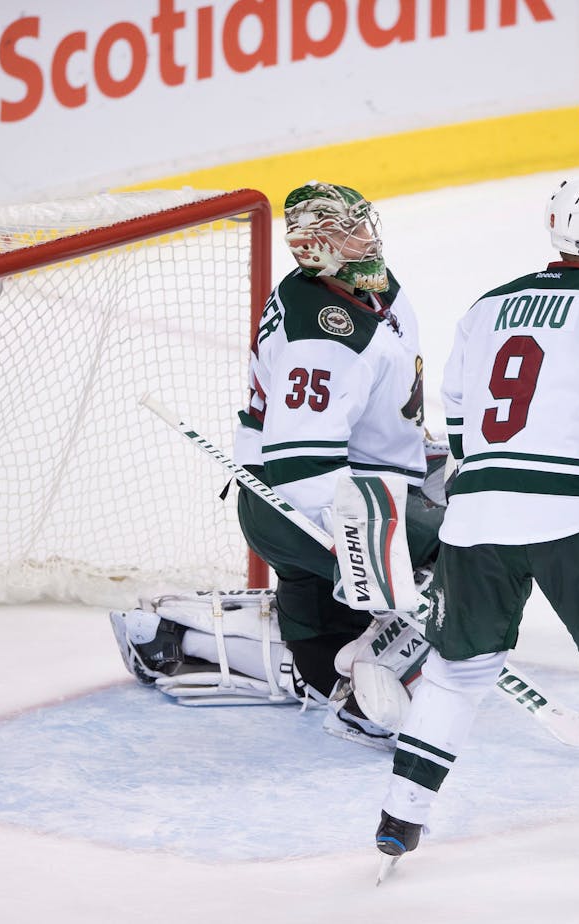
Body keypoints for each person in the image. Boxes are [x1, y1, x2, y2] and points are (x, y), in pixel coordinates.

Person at [375, 177, 579, 885]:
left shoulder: (488, 304)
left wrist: (494, 484)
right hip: (577, 515)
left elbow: (458, 417)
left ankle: (398, 820)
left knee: (455, 674)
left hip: (477, 514)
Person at [110, 181, 443, 748]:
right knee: (470, 540)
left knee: (316, 662)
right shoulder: (322, 336)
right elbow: (304, 476)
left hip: (339, 488)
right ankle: (378, 665)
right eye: (348, 231)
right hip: (300, 504)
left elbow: (382, 402)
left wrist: (424, 459)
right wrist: (384, 552)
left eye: (364, 224)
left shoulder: (366, 287)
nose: (367, 238)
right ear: (316, 248)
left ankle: (180, 636)